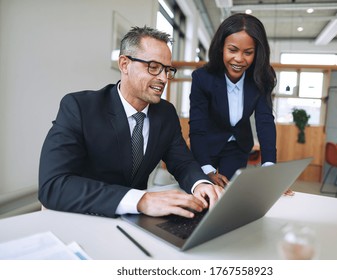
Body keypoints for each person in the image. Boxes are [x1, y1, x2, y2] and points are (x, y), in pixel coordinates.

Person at [38, 26, 224, 219]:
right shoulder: (80, 107)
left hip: (134, 222)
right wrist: (141, 200)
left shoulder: (166, 113)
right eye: (153, 67)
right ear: (124, 64)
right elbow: (53, 185)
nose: (163, 78)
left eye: (167, 70)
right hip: (84, 217)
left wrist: (200, 184)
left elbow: (183, 163)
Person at [189, 13, 277, 187]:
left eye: (248, 52)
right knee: (204, 193)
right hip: (207, 145)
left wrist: (269, 167)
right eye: (233, 50)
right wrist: (207, 169)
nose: (239, 59)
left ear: (257, 52)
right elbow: (197, 127)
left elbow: (265, 121)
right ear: (221, 47)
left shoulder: (262, 78)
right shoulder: (202, 78)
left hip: (238, 147)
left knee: (229, 195)